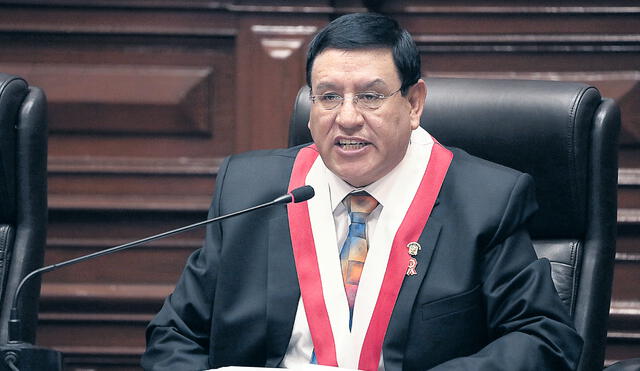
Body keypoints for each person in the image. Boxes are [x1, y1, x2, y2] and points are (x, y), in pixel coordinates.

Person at [142, 13, 582, 371]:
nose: (347, 118)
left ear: (413, 104)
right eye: (329, 96)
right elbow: (173, 336)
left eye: (370, 97)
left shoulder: (486, 200)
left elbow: (545, 340)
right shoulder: (250, 190)